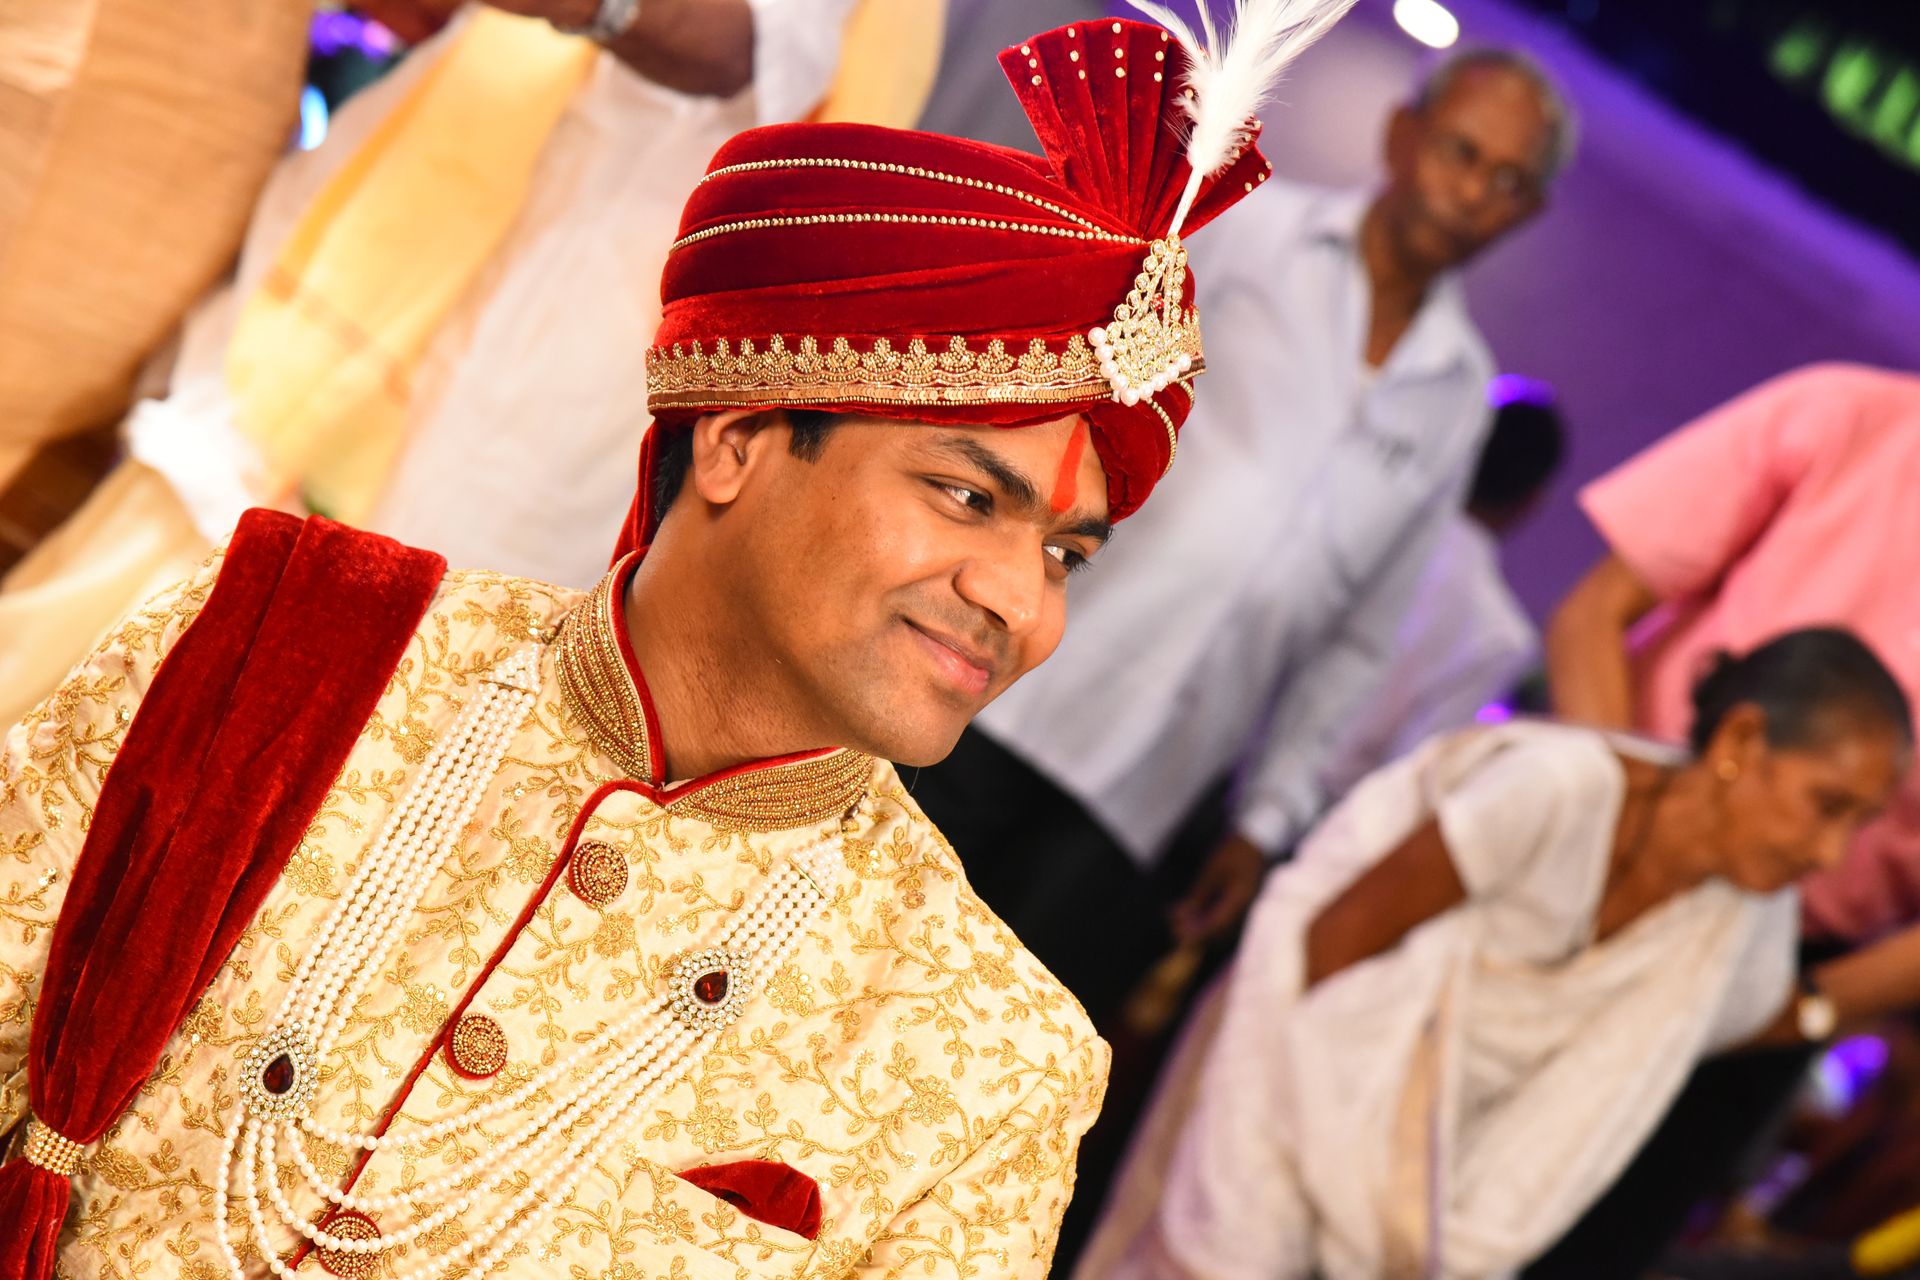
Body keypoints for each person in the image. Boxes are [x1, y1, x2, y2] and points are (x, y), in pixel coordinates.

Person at [0, 10, 1355, 1275]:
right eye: (968, 496)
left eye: (1066, 555)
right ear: (740, 439)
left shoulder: (991, 1053)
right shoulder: (273, 647)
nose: (1022, 602)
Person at [0, 0, 945, 730]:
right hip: (334, 332)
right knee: (69, 684)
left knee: (272, 780)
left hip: (511, 403)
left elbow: (751, 47)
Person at [909, 45, 1575, 1022]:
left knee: (980, 1044)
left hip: (1152, 784)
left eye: (1504, 179)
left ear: (1523, 214)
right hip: (1013, 681)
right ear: (1404, 137)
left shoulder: (1453, 396)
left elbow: (1358, 638)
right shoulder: (1247, 236)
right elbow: (1073, 399)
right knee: (851, 957)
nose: (1469, 190)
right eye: (1459, 151)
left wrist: (1267, 816)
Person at [1078, 628, 1914, 1280]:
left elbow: (1764, 1012)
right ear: (1739, 740)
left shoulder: (1746, 918)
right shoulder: (1558, 786)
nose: (1833, 854)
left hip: (1415, 1194)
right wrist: (1331, 1178)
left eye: (1858, 822)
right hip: (1289, 1078)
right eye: (1826, 805)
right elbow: (1329, 949)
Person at [1532, 362, 1920, 1272]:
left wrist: (1795, 1012)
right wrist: (1622, 841)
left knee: (1594, 1246)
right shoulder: (1846, 417)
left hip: (1794, 970)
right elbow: (1593, 615)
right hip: (1617, 855)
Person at [1316, 389, 1567, 800]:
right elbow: (1407, 776)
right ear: (1533, 501)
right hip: (1320, 814)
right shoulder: (1500, 634)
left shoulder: (1369, 530)